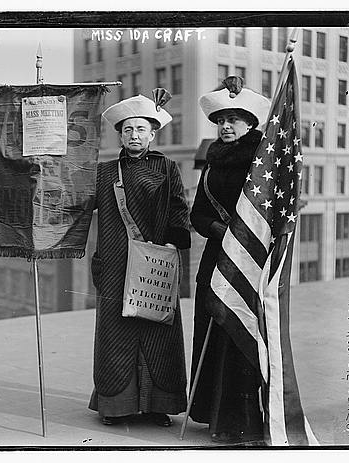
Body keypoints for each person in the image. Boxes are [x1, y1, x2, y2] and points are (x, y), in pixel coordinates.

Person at [88, 93, 191, 427]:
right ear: (120, 135)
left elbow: (178, 208)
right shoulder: (104, 172)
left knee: (156, 332)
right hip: (116, 264)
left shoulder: (167, 168)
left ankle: (158, 405)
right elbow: (76, 204)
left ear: (152, 134)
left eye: (140, 129)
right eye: (127, 129)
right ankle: (116, 406)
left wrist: (173, 246)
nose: (133, 135)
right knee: (116, 333)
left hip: (154, 263)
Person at [189, 76, 271, 445]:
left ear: (250, 124)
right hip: (216, 255)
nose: (225, 126)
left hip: (248, 260)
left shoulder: (261, 161)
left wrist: (239, 236)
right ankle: (213, 415)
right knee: (213, 327)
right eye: (221, 120)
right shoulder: (212, 160)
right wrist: (217, 229)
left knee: (238, 334)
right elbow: (197, 216)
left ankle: (242, 422)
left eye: (234, 120)